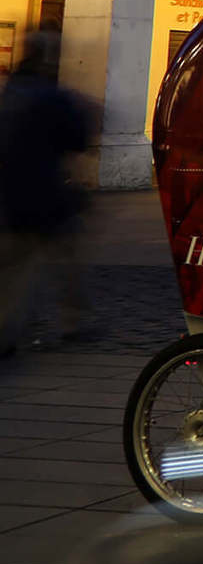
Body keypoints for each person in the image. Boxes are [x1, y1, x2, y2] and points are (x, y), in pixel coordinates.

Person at [0, 33, 94, 354]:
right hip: (47, 194)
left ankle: (6, 331)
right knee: (67, 259)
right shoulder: (50, 96)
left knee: (13, 267)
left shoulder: (10, 93)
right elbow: (77, 138)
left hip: (10, 196)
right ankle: (73, 323)